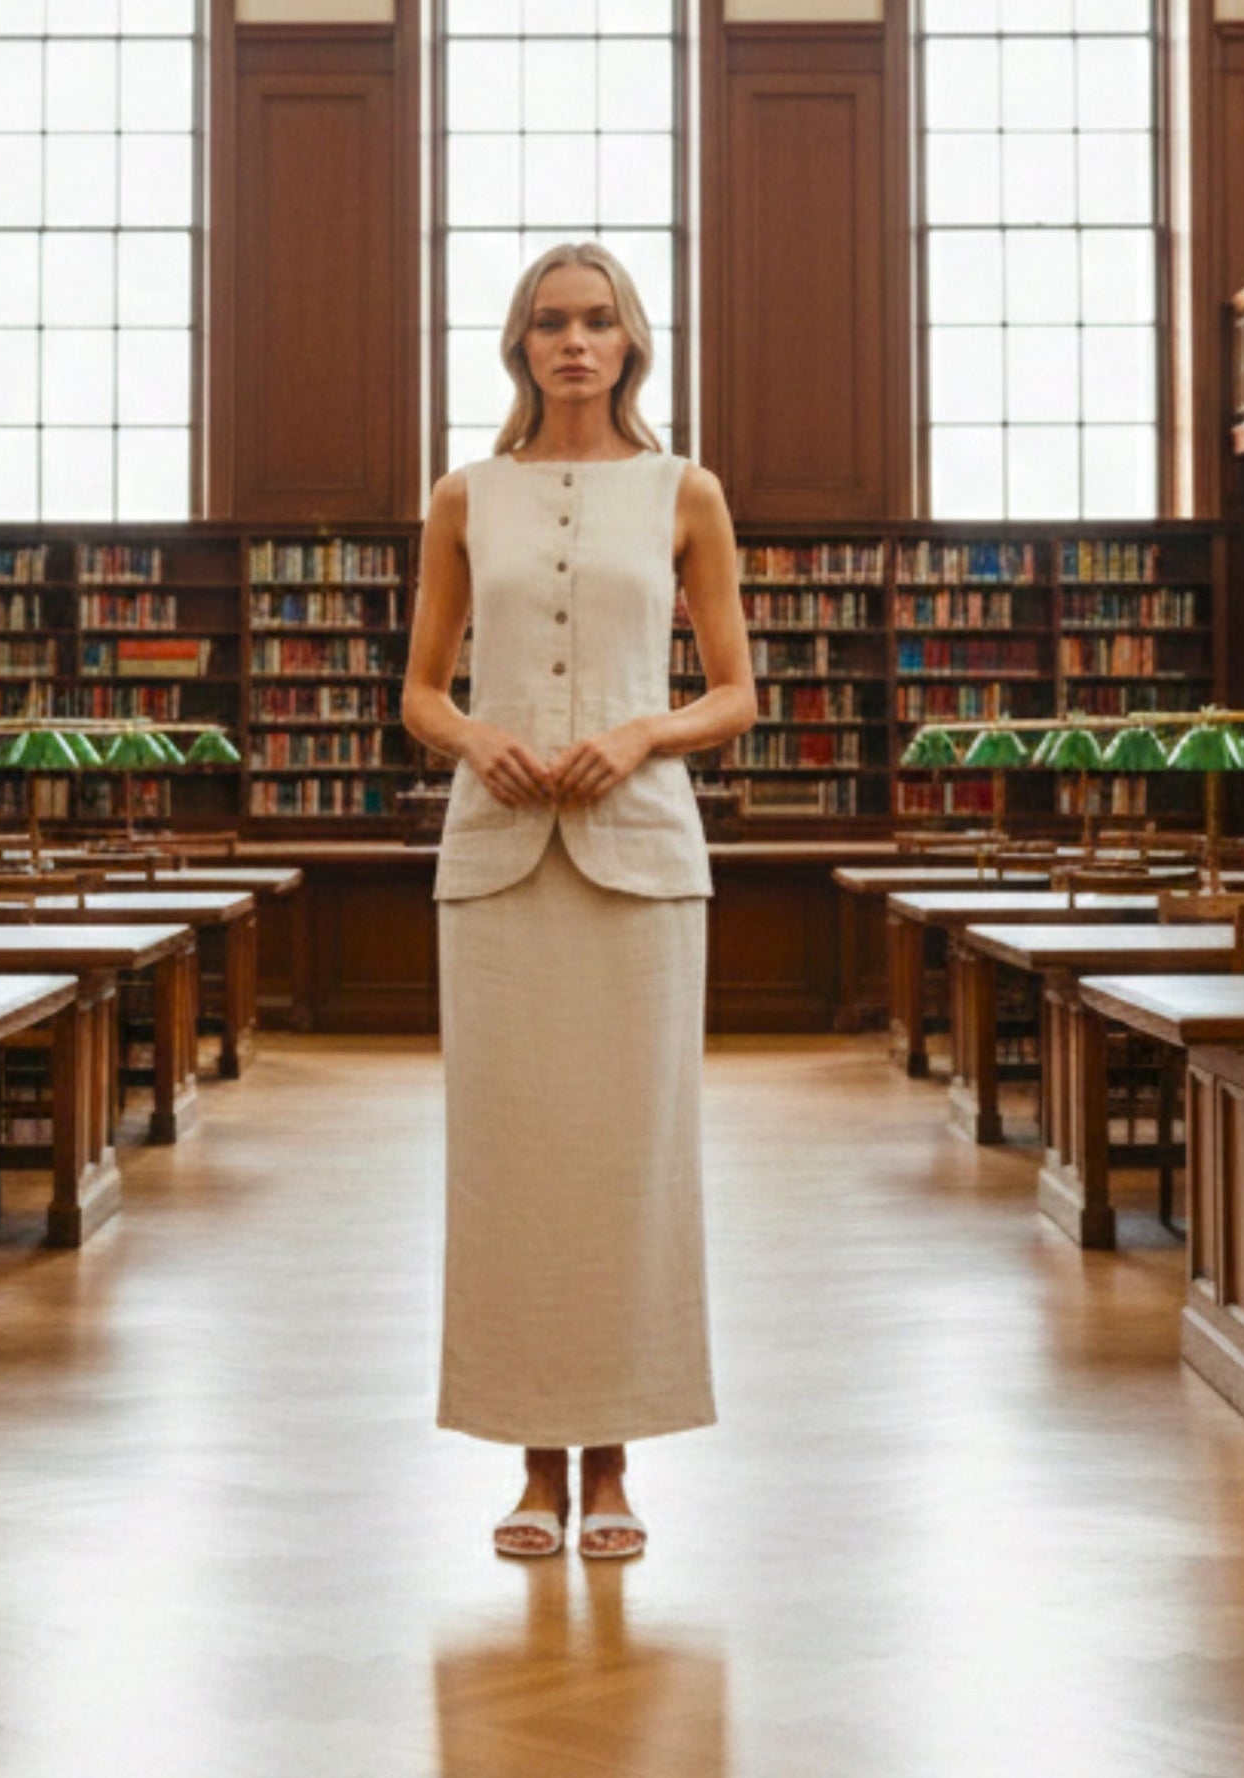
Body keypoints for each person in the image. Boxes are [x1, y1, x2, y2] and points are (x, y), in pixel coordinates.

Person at [402, 242, 756, 1561]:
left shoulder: (684, 491)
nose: (572, 342)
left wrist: (644, 732)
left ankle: (610, 1465)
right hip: (497, 861)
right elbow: (420, 690)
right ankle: (529, 1468)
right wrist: (471, 737)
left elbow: (736, 692)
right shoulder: (464, 496)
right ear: (519, 344)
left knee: (629, 1165)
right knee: (507, 1166)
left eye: (596, 321)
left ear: (630, 343)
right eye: (549, 323)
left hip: (641, 860)